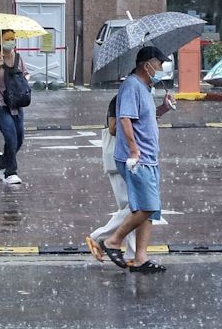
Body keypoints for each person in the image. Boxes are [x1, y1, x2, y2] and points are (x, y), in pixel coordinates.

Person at [98, 46, 175, 274]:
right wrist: (133, 150)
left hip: (149, 156)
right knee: (147, 206)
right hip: (138, 158)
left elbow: (145, 120)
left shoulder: (145, 88)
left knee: (150, 209)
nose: (161, 69)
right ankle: (112, 242)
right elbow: (124, 119)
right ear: (147, 64)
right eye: (159, 64)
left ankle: (141, 258)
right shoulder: (131, 86)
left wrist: (164, 107)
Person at [85, 95, 137, 264]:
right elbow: (113, 128)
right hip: (118, 158)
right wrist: (132, 125)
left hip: (126, 158)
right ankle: (99, 237)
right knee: (135, 207)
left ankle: (132, 253)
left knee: (132, 207)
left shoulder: (131, 100)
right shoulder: (120, 100)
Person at [0, 29, 29, 184]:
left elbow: (25, 74)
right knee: (11, 138)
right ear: (0, 41)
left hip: (16, 103)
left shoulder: (18, 58)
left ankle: (2, 161)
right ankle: (10, 172)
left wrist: (23, 81)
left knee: (19, 138)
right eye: (8, 38)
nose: (11, 41)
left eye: (13, 38)